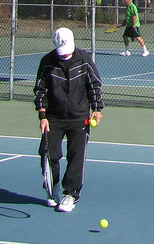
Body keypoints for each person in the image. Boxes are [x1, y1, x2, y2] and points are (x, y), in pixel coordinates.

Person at [34, 27, 103, 213]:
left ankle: (71, 194)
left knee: (76, 156)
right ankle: (53, 188)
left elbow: (94, 84)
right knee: (48, 154)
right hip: (53, 118)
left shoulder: (83, 59)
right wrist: (42, 115)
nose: (66, 54)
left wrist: (97, 109)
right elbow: (40, 91)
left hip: (79, 117)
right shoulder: (47, 62)